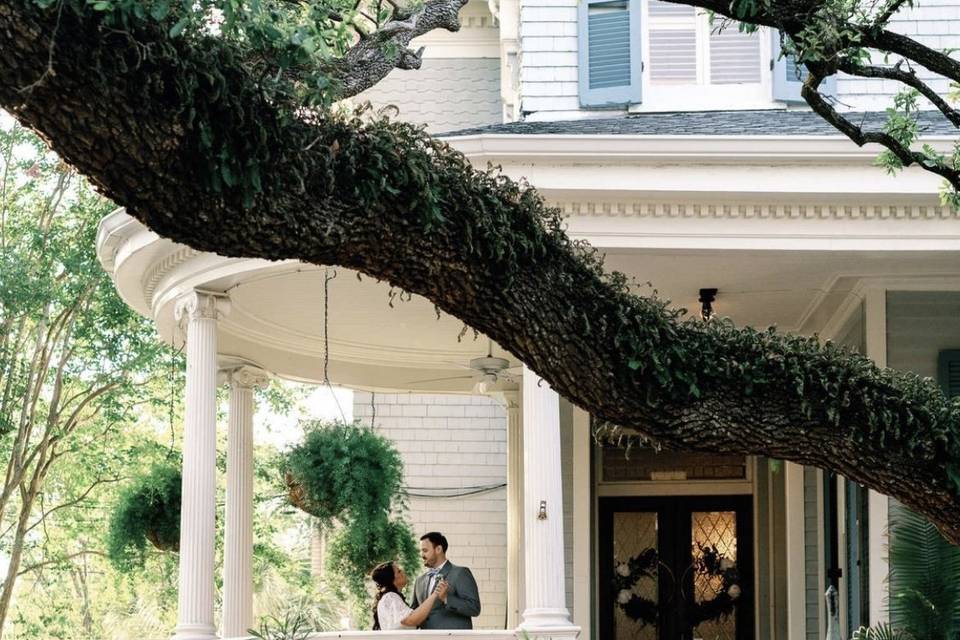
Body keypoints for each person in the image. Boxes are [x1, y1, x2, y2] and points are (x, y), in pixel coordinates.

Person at [410, 531, 481, 629]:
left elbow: (474, 608)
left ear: (438, 549)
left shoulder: (460, 573)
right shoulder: (419, 580)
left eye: (425, 550)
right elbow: (413, 613)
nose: (421, 555)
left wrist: (446, 598)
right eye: (421, 551)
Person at [371, 561, 448, 630]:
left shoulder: (391, 597)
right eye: (399, 571)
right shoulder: (390, 597)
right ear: (392, 579)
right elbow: (410, 620)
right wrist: (435, 594)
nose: (403, 571)